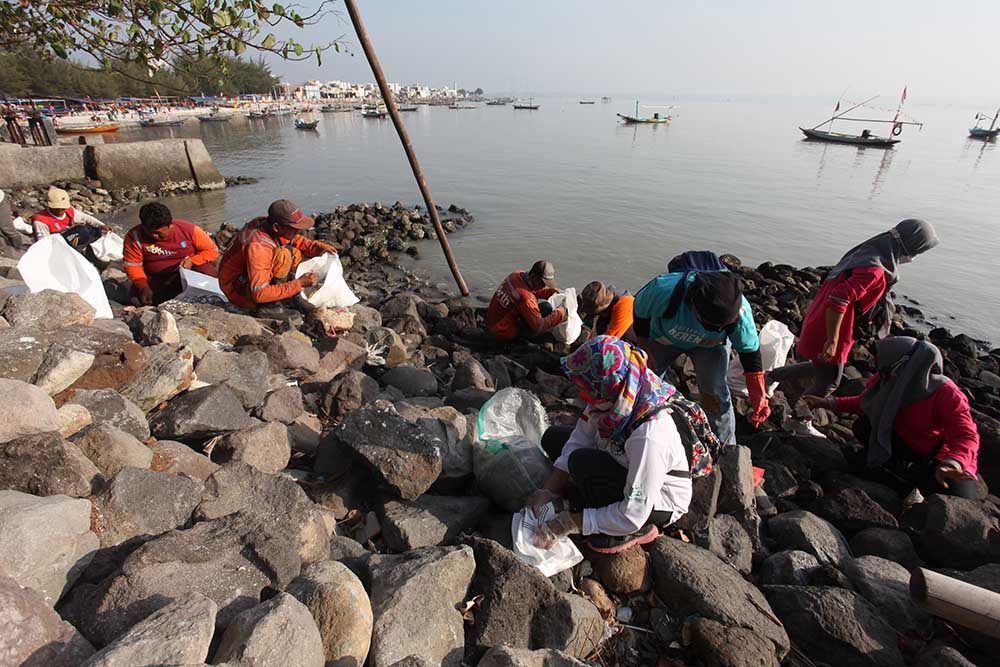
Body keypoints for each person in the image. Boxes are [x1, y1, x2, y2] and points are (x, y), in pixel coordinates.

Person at [770, 219, 939, 435]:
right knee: (830, 381)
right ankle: (797, 419)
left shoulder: (868, 251)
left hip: (820, 316)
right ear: (910, 245)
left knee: (821, 367)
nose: (914, 257)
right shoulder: (875, 269)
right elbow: (839, 299)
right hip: (834, 326)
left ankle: (770, 376)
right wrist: (832, 340)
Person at [527, 336, 692, 554]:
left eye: (588, 390)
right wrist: (548, 491)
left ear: (608, 388)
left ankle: (638, 530)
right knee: (553, 438)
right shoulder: (618, 392)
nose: (583, 395)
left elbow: (633, 512)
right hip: (621, 457)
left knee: (581, 463)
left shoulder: (649, 436)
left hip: (656, 499)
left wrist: (569, 523)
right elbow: (580, 437)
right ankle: (589, 496)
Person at [803, 336, 979, 500]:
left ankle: (914, 480)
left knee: (953, 492)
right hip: (904, 441)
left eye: (885, 366)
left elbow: (966, 435)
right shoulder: (890, 378)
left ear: (905, 365)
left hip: (938, 456)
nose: (881, 370)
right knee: (863, 425)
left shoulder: (945, 393)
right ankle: (899, 473)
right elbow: (865, 402)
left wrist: (954, 462)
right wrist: (825, 403)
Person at [633, 268, 769, 446]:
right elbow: (640, 313)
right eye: (711, 325)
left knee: (714, 393)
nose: (716, 329)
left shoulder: (741, 316)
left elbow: (751, 358)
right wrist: (644, 347)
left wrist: (759, 398)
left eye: (721, 326)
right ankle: (638, 429)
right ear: (693, 307)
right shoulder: (664, 290)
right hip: (662, 339)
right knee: (644, 383)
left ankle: (726, 446)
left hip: (710, 348)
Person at [218, 198, 337, 311]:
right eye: (294, 228)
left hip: (246, 277)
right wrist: (299, 284)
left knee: (294, 253)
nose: (298, 231)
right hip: (237, 290)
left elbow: (295, 239)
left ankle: (283, 293)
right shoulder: (258, 246)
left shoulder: (267, 225)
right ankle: (269, 307)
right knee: (283, 256)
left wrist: (317, 247)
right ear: (276, 227)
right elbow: (259, 293)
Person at [123, 202, 220, 305]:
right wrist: (143, 286)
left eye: (159, 233)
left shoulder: (189, 230)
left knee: (207, 272)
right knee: (137, 298)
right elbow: (133, 265)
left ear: (170, 225)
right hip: (156, 277)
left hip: (187, 273)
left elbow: (212, 251)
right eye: (150, 232)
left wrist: (192, 261)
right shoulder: (134, 237)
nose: (154, 236)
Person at [487, 260, 567, 342]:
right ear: (533, 277)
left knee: (545, 307)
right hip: (502, 332)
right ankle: (519, 340)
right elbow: (539, 326)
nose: (544, 287)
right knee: (546, 310)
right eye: (543, 284)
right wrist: (561, 313)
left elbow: (530, 291)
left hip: (492, 319)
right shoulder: (526, 298)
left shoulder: (516, 274)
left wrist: (551, 292)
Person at [31, 186, 110, 241]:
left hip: (70, 238)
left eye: (63, 209)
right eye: (57, 209)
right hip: (56, 244)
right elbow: (43, 242)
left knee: (95, 230)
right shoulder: (41, 221)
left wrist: (102, 225)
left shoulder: (69, 211)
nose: (60, 211)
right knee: (81, 230)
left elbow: (85, 218)